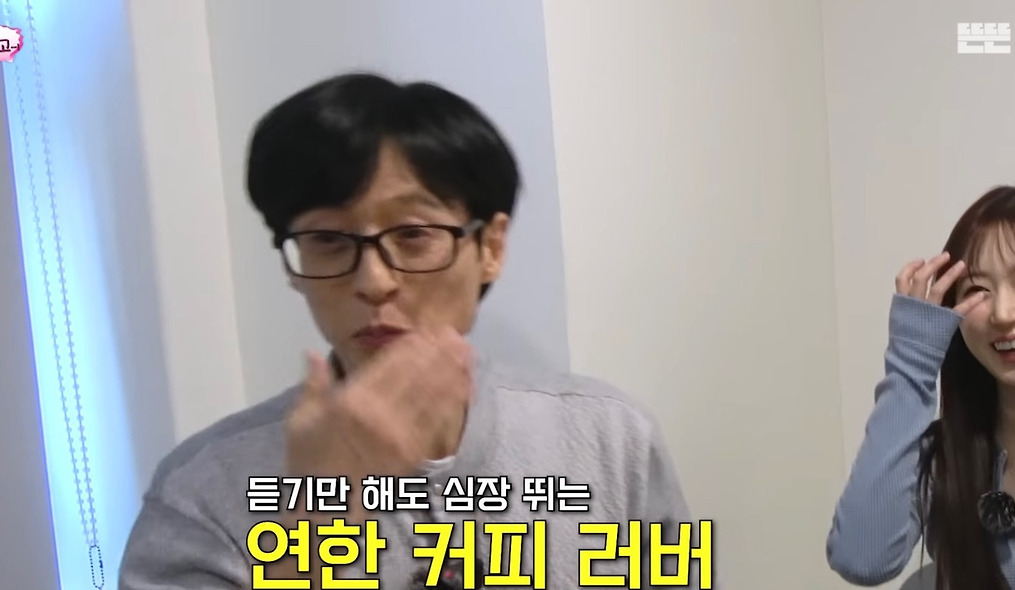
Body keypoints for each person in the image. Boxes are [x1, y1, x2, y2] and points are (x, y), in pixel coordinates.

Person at [119, 72, 697, 589]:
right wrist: (314, 526)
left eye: (414, 235)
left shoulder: (608, 440)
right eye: (328, 240)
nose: (374, 282)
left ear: (490, 248)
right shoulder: (203, 492)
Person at [826, 185, 1015, 589]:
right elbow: (861, 558)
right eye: (978, 290)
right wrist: (911, 362)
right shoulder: (945, 457)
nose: (1003, 313)